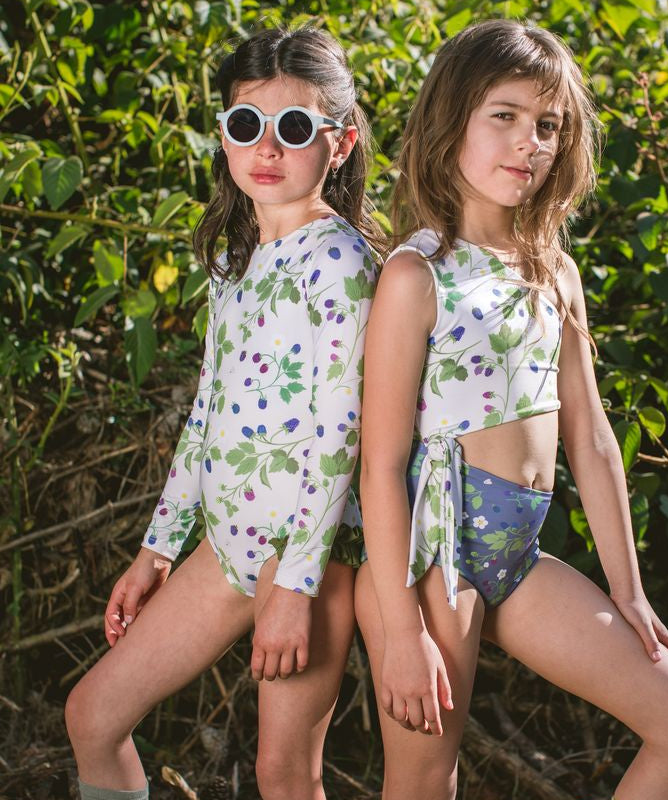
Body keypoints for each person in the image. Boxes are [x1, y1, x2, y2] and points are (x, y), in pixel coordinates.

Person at [355, 19, 668, 800]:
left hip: (517, 555)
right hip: (431, 556)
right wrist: (399, 627)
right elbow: (380, 465)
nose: (530, 142)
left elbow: (590, 438)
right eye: (506, 115)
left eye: (548, 126)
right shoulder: (417, 275)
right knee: (425, 784)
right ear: (451, 118)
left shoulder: (552, 269)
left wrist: (629, 591)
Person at [65, 26, 381, 800]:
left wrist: (295, 589)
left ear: (336, 146)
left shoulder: (341, 264)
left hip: (307, 553)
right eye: (247, 124)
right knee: (92, 716)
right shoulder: (233, 260)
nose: (267, 147)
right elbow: (207, 409)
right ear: (223, 136)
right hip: (226, 542)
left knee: (283, 776)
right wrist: (157, 548)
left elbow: (343, 435)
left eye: (295, 127)